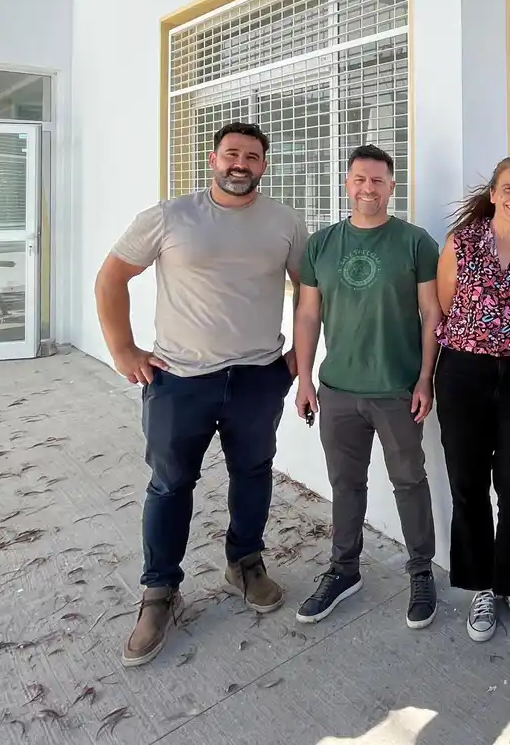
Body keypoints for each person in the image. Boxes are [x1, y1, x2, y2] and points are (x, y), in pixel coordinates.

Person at [96, 122, 307, 668]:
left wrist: (300, 360)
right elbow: (111, 278)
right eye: (232, 154)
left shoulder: (284, 222)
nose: (241, 163)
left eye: (253, 156)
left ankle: (246, 562)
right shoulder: (170, 216)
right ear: (213, 159)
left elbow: (311, 291)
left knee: (254, 473)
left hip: (258, 376)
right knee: (169, 486)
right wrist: (123, 349)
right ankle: (159, 592)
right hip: (180, 379)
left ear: (265, 165)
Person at [292, 144, 442, 632]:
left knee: (410, 483)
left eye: (378, 180)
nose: (368, 188)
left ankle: (421, 572)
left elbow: (431, 314)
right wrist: (305, 379)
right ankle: (344, 569)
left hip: (397, 390)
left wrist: (425, 377)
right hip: (337, 390)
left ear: (391, 187)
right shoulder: (321, 245)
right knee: (345, 485)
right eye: (359, 179)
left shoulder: (415, 242)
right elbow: (309, 314)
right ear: (347, 184)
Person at [434, 156, 510, 642]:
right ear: (493, 193)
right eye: (508, 187)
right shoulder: (460, 244)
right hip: (464, 371)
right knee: (467, 481)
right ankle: (482, 586)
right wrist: (480, 345)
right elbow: (447, 305)